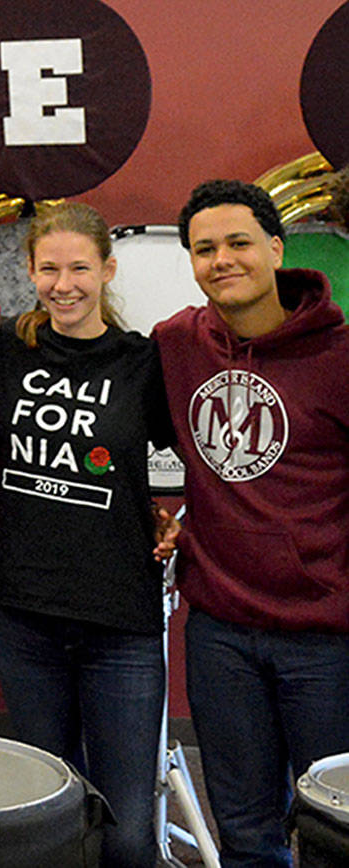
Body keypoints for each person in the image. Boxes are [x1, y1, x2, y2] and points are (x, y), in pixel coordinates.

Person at [153, 180, 349, 867]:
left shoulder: (340, 355)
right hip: (221, 631)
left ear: (275, 247)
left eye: (238, 243)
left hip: (325, 637)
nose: (222, 259)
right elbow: (126, 440)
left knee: (334, 822)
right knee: (242, 827)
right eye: (204, 249)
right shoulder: (176, 343)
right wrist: (157, 515)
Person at [0, 201, 177, 868]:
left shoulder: (141, 362)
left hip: (118, 619)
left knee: (126, 832)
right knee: (50, 814)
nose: (62, 284)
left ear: (107, 269)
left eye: (78, 269)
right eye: (48, 269)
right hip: (23, 615)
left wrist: (182, 522)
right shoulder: (6, 347)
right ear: (30, 272)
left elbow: (209, 458)